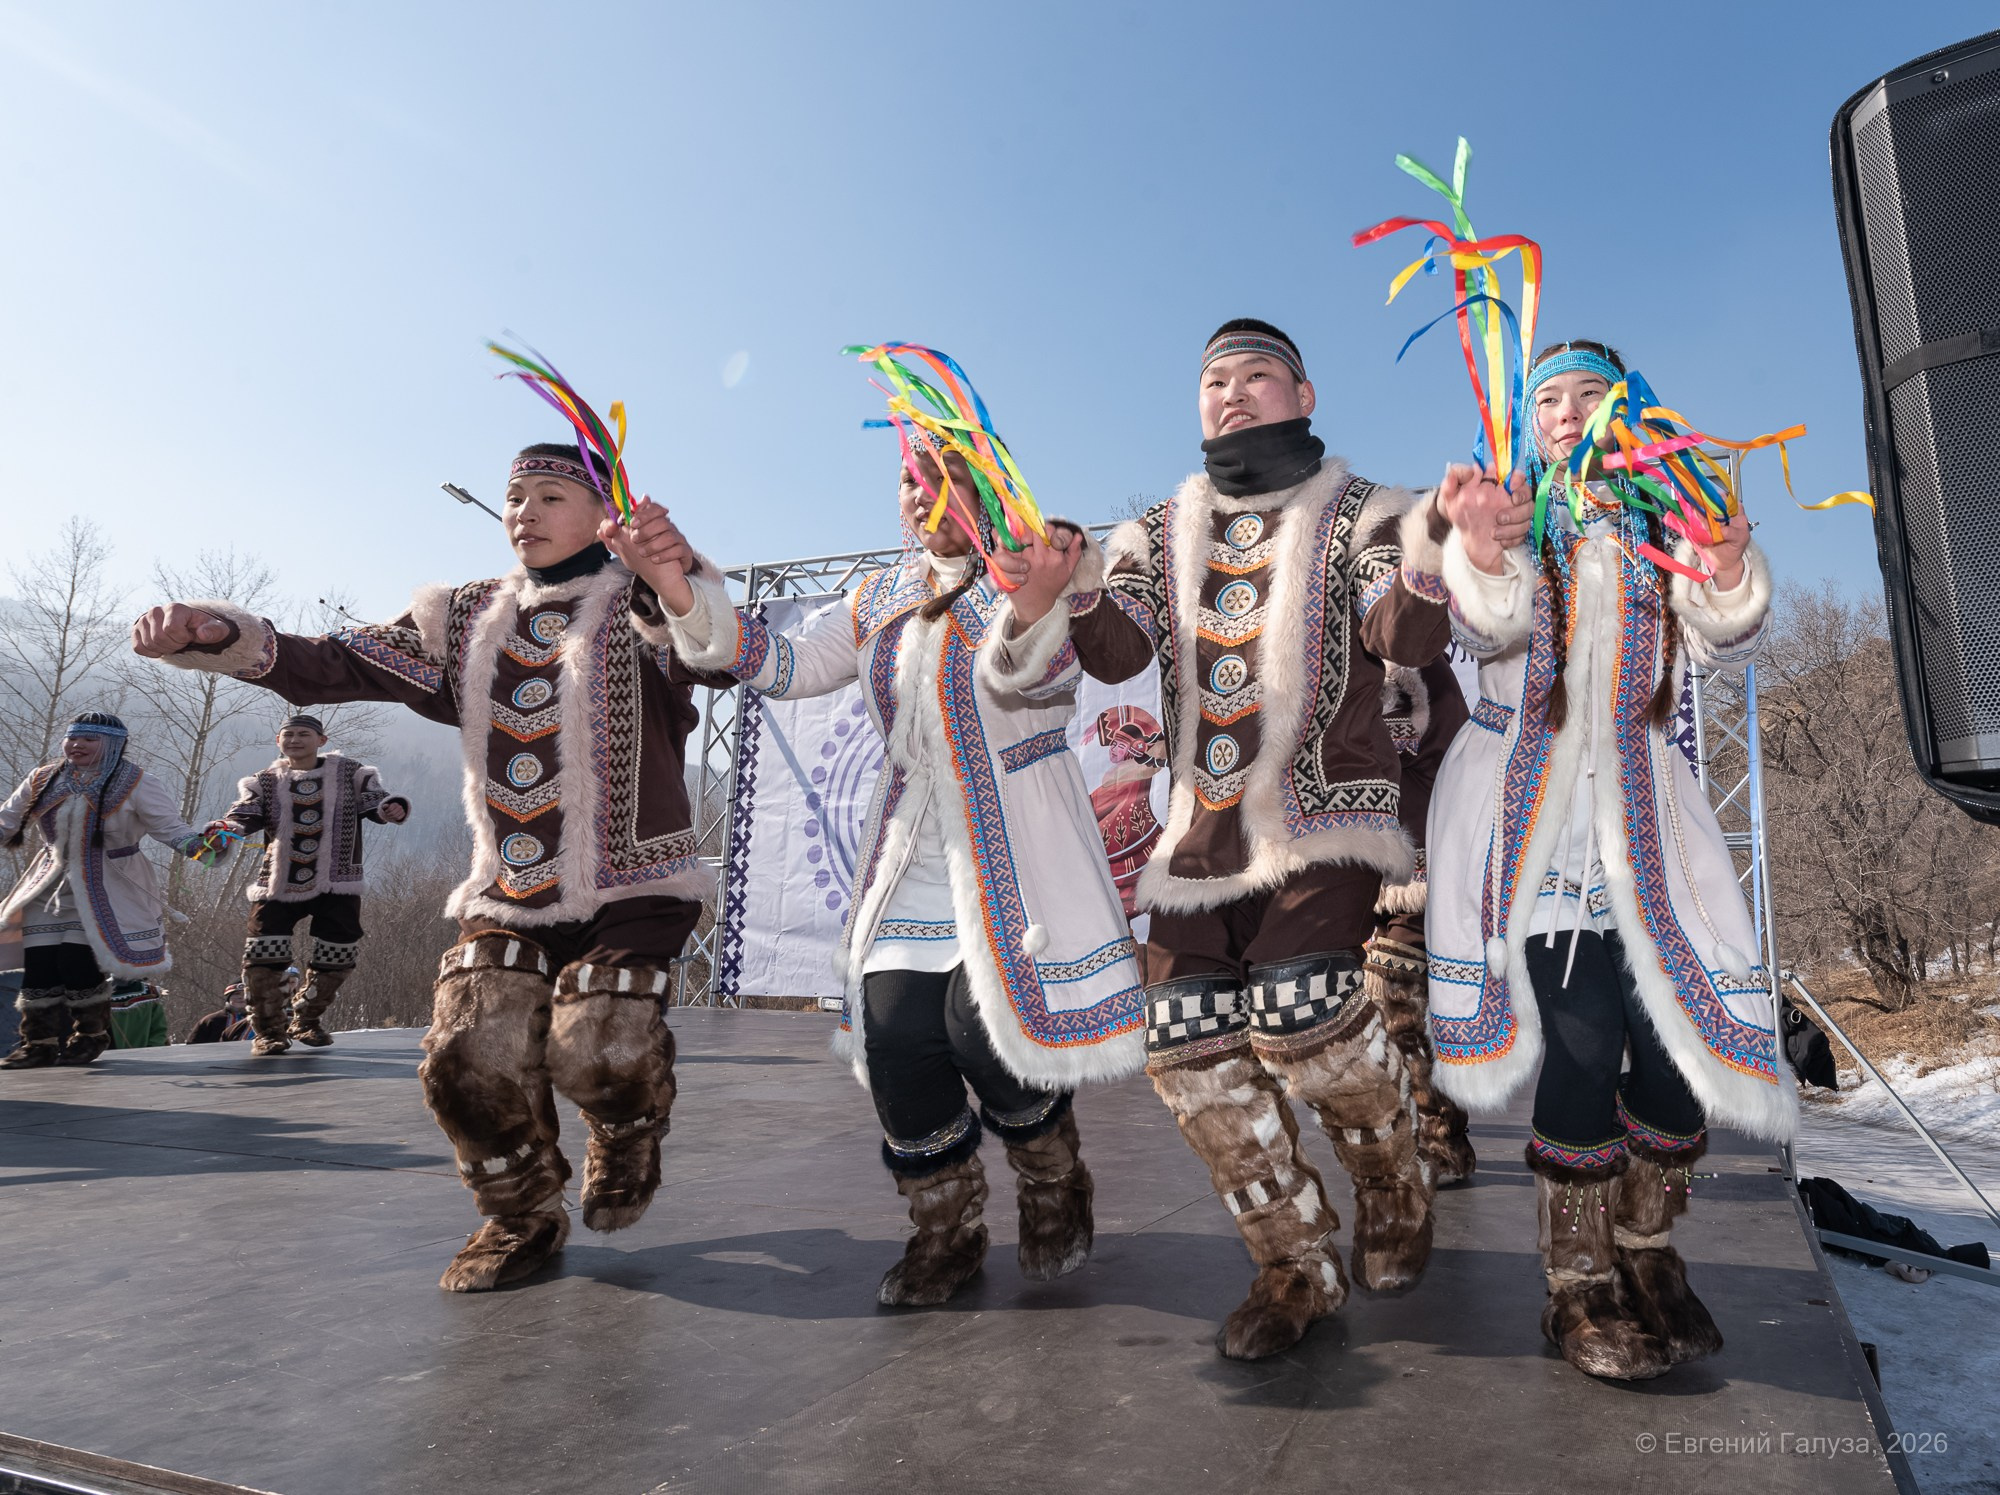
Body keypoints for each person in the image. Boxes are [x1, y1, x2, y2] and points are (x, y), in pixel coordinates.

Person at [131, 442, 736, 1292]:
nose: (524, 511)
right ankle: (522, 1213)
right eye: (516, 496)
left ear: (605, 511)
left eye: (551, 495)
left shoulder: (643, 598)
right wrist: (218, 633)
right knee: (461, 1057)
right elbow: (337, 661)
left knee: (599, 1045)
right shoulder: (464, 617)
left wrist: (672, 572)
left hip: (637, 885)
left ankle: (626, 1128)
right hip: (512, 889)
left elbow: (715, 651)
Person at [1050, 318, 1470, 1359]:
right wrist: (1073, 586)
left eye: (1255, 375)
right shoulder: (1155, 531)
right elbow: (1117, 655)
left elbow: (1399, 633)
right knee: (1182, 1041)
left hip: (1327, 813)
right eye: (1214, 381)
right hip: (1201, 831)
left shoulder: (1370, 510)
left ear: (1304, 394)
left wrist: (1435, 560)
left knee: (1301, 1008)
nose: (1230, 393)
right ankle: (1292, 1264)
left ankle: (1391, 1172)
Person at [648, 430, 1146, 1307]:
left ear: (990, 489)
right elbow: (781, 663)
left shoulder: (1039, 566)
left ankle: (1052, 1177)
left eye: (946, 475)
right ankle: (945, 1228)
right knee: (894, 1039)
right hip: (912, 845)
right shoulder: (878, 594)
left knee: (986, 1029)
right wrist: (678, 585)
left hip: (1018, 840)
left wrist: (1036, 598)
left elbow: (1042, 678)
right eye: (911, 479)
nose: (923, 493)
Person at [1425, 339, 1795, 1380]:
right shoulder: (1506, 511)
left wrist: (1726, 567)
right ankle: (1576, 1285)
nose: (1567, 410)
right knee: (1584, 1044)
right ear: (1525, 416)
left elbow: (1722, 639)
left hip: (1643, 816)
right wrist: (1477, 552)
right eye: (1548, 396)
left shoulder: (1665, 520)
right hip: (1533, 817)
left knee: (1676, 1054)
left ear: (1627, 410)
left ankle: (1647, 1249)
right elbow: (1482, 629)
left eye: (1590, 393)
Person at [1, 714, 210, 1069]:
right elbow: (7, 820)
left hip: (111, 884)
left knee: (76, 961)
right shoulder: (43, 778)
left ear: (113, 744)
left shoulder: (138, 782)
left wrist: (205, 847)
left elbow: (171, 828)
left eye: (89, 739)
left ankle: (90, 1035)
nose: (77, 745)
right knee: (39, 966)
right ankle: (38, 1043)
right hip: (50, 883)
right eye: (72, 738)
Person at [214, 713, 410, 1054]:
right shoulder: (264, 781)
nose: (294, 740)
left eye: (303, 734)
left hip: (337, 880)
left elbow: (377, 803)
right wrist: (224, 831)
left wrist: (391, 808)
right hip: (279, 881)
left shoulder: (351, 773)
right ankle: (268, 1032)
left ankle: (306, 1019)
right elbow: (243, 815)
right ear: (278, 741)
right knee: (262, 954)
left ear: (321, 740)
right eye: (288, 735)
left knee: (339, 951)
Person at [1365, 659, 1477, 1187]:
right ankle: (1399, 1131)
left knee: (1402, 998)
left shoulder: (1423, 670)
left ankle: (1441, 1136)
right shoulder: (1333, 656)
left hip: (1421, 857)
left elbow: (1451, 757)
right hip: (1355, 858)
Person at [108, 979, 170, 1048]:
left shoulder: (151, 994)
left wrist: (151, 1051)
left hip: (145, 1053)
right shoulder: (151, 993)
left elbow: (158, 1032)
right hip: (108, 1053)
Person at [188, 982, 252, 1043]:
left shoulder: (256, 1021)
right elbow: (193, 1045)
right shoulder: (211, 1020)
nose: (241, 997)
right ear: (229, 998)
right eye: (236, 994)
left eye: (246, 993)